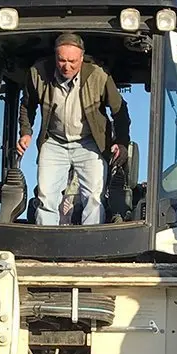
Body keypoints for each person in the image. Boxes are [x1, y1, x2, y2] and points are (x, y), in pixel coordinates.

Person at [16, 32, 130, 226]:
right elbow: (27, 105)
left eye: (72, 61)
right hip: (54, 142)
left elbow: (120, 111)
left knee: (94, 197)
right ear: (55, 57)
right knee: (46, 196)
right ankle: (47, 246)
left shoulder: (98, 75)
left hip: (89, 143)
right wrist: (26, 132)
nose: (66, 66)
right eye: (61, 60)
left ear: (82, 58)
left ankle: (91, 248)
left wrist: (121, 142)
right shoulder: (38, 73)